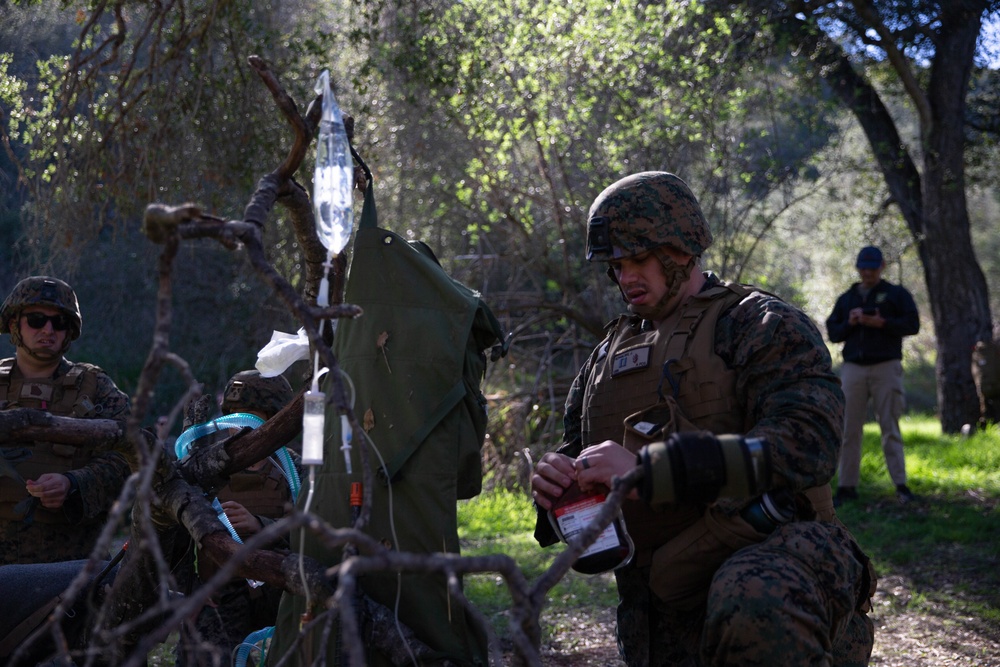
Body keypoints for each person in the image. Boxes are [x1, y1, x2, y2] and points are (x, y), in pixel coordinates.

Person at [531, 172, 875, 666]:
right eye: (616, 264)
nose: (626, 276)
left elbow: (810, 443)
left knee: (752, 594)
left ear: (682, 248)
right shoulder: (605, 357)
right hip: (664, 607)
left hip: (773, 570)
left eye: (640, 259)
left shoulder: (758, 324)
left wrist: (654, 470)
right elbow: (578, 453)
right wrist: (556, 488)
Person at [0, 276, 132, 565]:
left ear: (69, 332)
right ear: (14, 326)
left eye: (59, 323)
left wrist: (72, 483)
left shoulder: (96, 387)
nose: (48, 330)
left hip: (71, 561)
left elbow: (127, 458)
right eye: (36, 320)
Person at [173, 369, 300, 666]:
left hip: (279, 596)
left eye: (252, 418)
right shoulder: (205, 467)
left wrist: (261, 525)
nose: (241, 428)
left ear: (276, 420)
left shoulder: (294, 469)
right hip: (218, 597)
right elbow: (174, 530)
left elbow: (318, 529)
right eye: (234, 418)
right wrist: (185, 591)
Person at [825, 246, 920, 505]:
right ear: (858, 268)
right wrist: (851, 323)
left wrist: (884, 323)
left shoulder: (895, 294)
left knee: (890, 426)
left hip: (886, 367)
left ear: (882, 267)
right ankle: (846, 486)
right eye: (863, 267)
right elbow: (833, 332)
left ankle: (900, 484)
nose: (867, 272)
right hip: (853, 368)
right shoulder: (847, 298)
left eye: (872, 267)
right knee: (848, 429)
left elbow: (913, 324)